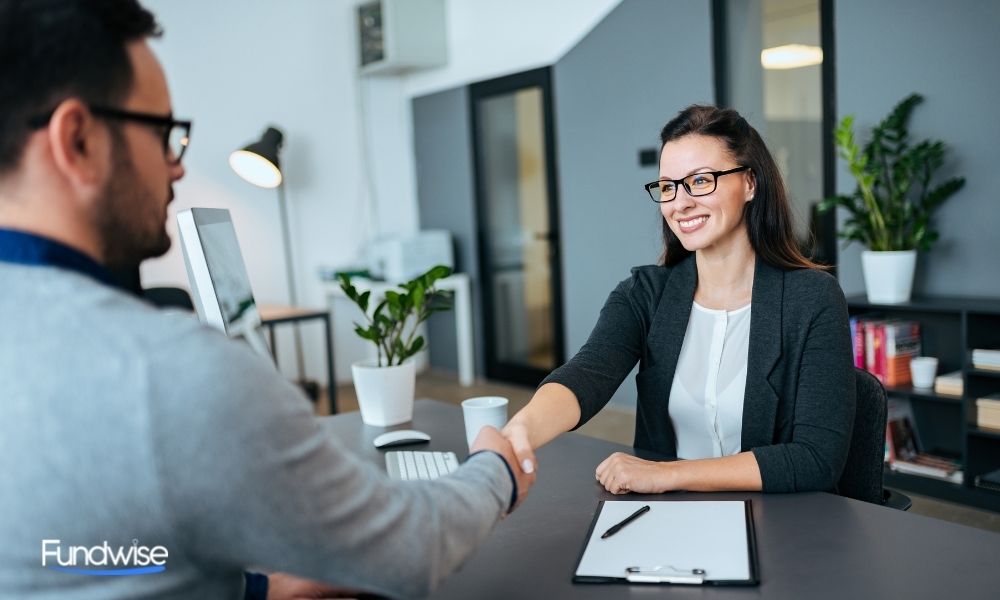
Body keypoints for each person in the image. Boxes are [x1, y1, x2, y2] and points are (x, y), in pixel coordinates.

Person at [0, 1, 535, 599]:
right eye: (163, 134)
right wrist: (497, 471)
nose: (176, 166)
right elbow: (415, 547)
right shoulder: (163, 370)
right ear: (76, 140)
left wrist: (258, 590)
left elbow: (78, 559)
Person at [503, 105, 855, 496]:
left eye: (700, 180)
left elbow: (815, 459)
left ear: (751, 183)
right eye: (668, 186)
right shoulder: (645, 294)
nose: (679, 203)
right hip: (667, 518)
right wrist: (522, 429)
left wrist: (667, 474)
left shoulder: (813, 299)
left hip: (780, 521)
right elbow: (587, 374)